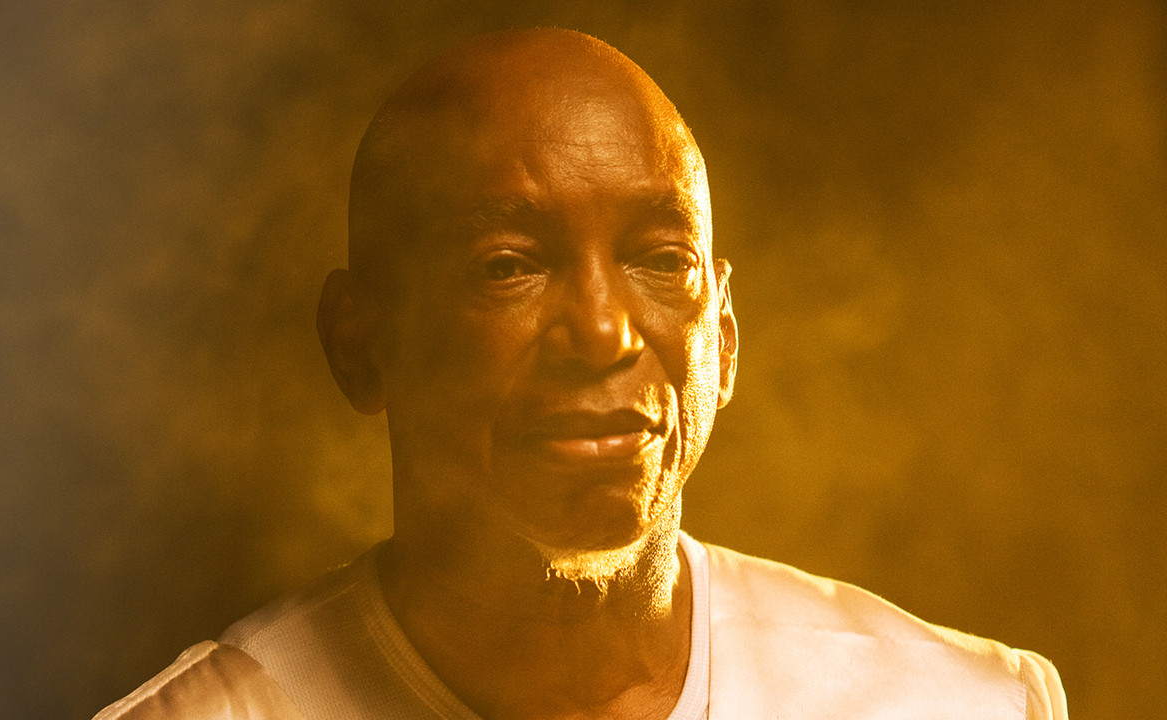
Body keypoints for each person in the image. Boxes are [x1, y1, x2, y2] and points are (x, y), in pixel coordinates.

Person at [94, 28, 1067, 720]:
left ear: (723, 337)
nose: (602, 333)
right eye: (508, 265)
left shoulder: (955, 705)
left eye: (661, 260)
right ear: (359, 344)